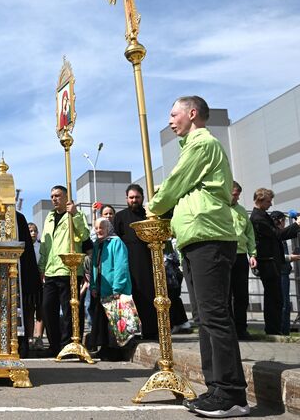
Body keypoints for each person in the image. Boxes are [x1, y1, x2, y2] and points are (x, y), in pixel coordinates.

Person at [148, 96, 248, 417]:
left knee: (215, 316)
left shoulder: (202, 144)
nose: (171, 120)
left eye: (174, 114)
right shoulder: (191, 146)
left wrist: (153, 209)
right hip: (195, 239)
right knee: (205, 318)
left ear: (192, 114)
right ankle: (216, 389)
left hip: (210, 238)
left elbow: (174, 185)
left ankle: (232, 394)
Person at [0, 208, 42, 358]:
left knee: (17, 311)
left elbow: (27, 252)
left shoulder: (18, 218)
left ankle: (18, 348)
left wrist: (31, 280)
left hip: (15, 276)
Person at [37, 185, 90, 356]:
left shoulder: (76, 215)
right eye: (52, 196)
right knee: (47, 308)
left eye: (58, 195)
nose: (54, 199)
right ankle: (55, 345)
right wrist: (42, 267)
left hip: (69, 269)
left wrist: (74, 214)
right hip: (51, 271)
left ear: (66, 196)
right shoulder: (49, 218)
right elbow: (45, 246)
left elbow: (83, 235)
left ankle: (70, 344)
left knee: (70, 310)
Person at [113, 184, 158, 340]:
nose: (134, 200)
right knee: (129, 299)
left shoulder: (149, 215)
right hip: (127, 264)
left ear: (142, 198)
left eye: (137, 197)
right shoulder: (120, 217)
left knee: (148, 296)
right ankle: (131, 334)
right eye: (131, 197)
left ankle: (151, 331)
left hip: (147, 263)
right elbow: (115, 242)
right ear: (126, 199)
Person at [85, 218, 133, 360]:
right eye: (97, 228)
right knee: (103, 322)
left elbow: (121, 266)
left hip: (114, 289)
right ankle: (104, 348)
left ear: (109, 228)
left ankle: (115, 352)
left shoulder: (116, 242)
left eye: (102, 227)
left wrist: (117, 287)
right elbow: (94, 266)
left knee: (116, 321)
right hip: (101, 288)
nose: (99, 230)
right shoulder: (97, 245)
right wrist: (93, 286)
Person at [250, 188, 290, 335]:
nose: (270, 204)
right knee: (273, 297)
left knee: (276, 297)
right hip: (268, 262)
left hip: (271, 261)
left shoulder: (262, 216)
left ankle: (275, 329)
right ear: (260, 200)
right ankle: (273, 330)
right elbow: (277, 234)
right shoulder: (258, 218)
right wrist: (296, 226)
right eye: (268, 201)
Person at [229, 181, 257, 340]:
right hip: (225, 255)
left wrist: (252, 254)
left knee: (241, 295)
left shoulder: (241, 211)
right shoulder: (220, 208)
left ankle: (241, 328)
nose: (237, 198)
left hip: (240, 256)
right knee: (226, 295)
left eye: (238, 195)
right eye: (234, 194)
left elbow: (250, 233)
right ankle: (230, 329)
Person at [269, 210, 300, 335]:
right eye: (283, 221)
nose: (284, 223)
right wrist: (290, 258)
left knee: (285, 304)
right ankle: (281, 331)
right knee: (283, 304)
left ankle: (284, 331)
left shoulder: (280, 234)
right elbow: (277, 254)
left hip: (284, 272)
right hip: (280, 272)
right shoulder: (275, 235)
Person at [29, 222, 46, 349]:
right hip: (29, 282)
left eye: (35, 231)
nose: (33, 233)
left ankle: (39, 337)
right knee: (29, 310)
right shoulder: (23, 247)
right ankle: (29, 337)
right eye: (30, 231)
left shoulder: (40, 247)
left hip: (41, 281)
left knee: (40, 310)